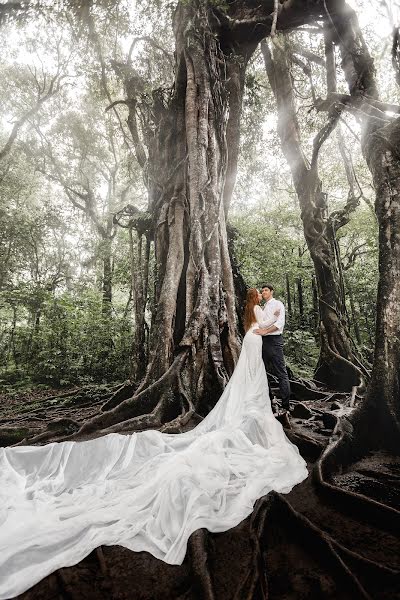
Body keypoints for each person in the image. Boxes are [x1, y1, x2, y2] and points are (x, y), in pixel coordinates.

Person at [0, 288, 307, 600]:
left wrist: (260, 327)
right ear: (258, 298)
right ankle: (276, 403)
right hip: (258, 344)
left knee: (263, 380)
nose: (262, 295)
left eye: (263, 293)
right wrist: (260, 327)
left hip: (259, 344)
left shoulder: (265, 311)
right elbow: (265, 326)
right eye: (261, 293)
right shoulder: (258, 312)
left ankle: (278, 402)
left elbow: (271, 326)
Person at [254, 284, 291, 420]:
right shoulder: (263, 307)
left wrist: (265, 331)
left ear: (271, 292)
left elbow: (279, 324)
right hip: (263, 343)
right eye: (262, 290)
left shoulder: (278, 304)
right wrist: (263, 330)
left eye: (266, 290)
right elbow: (262, 323)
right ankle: (269, 401)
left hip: (275, 341)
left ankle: (285, 406)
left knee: (281, 372)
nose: (264, 292)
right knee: (262, 372)